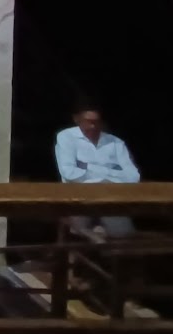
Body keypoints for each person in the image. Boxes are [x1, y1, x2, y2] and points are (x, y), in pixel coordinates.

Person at [55, 102, 139, 240]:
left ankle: (97, 234)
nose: (93, 126)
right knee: (79, 230)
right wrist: (111, 174)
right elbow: (69, 173)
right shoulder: (66, 137)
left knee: (123, 234)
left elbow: (133, 177)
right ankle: (91, 235)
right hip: (79, 196)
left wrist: (88, 167)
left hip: (110, 197)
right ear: (77, 119)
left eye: (96, 122)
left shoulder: (116, 142)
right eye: (88, 122)